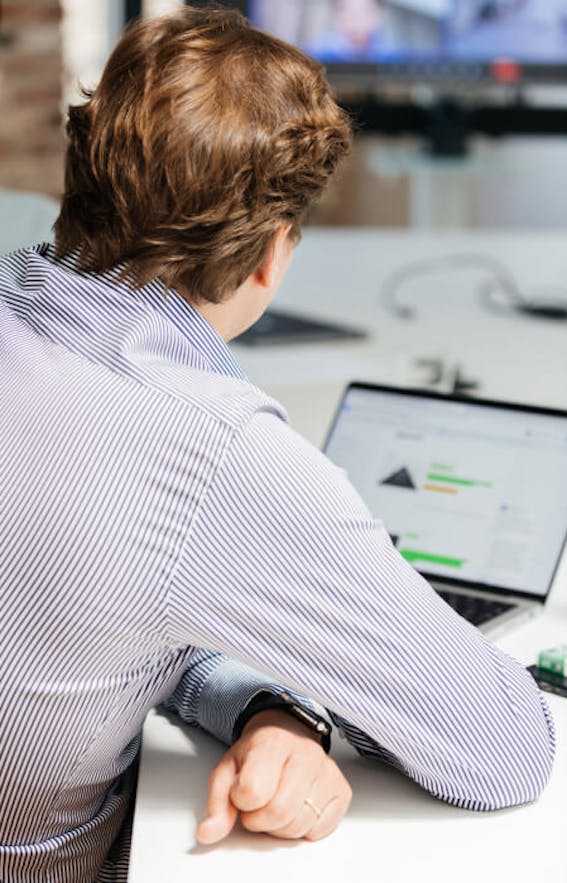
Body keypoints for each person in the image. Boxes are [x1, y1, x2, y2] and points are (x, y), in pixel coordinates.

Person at [0, 7, 555, 883]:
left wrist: (270, 702)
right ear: (269, 256)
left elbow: (111, 613)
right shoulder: (209, 449)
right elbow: (501, 746)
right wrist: (318, 692)